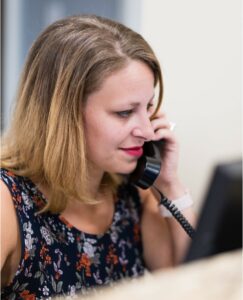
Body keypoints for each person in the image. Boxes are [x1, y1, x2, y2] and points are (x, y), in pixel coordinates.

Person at [0, 14, 196, 299]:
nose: (146, 130)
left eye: (148, 107)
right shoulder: (8, 203)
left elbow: (192, 283)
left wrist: (170, 186)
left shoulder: (132, 191)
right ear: (64, 116)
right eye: (125, 112)